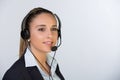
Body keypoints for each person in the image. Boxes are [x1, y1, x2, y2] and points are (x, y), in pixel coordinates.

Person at [2, 7, 65, 80]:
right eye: (41, 29)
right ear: (27, 35)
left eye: (54, 29)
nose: (50, 35)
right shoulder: (15, 75)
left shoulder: (53, 65)